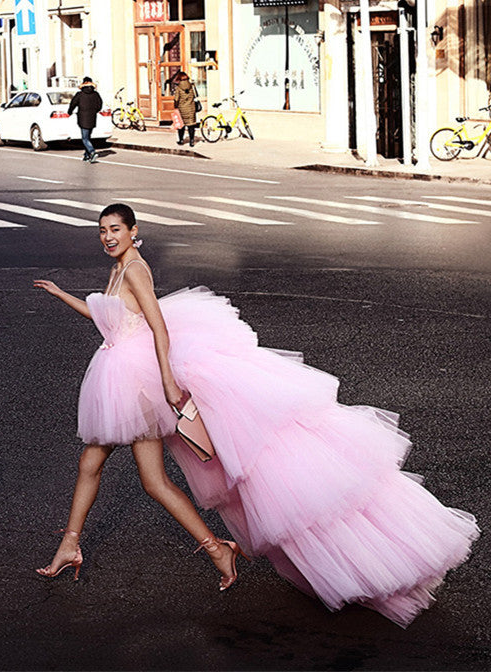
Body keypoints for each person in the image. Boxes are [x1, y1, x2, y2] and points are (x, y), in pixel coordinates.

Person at [33, 203, 478, 627]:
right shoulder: (117, 269)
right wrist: (62, 295)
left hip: (139, 383)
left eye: (115, 230)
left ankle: (187, 548)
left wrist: (168, 382)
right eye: (103, 231)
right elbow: (111, 318)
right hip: (123, 378)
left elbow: (157, 326)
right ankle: (181, 548)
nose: (108, 237)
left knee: (131, 474)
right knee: (127, 474)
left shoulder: (135, 270)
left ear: (134, 233)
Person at [67, 76, 103, 163]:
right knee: (88, 137)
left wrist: (69, 112)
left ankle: (92, 151)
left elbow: (73, 104)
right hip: (92, 118)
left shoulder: (79, 95)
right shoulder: (96, 94)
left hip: (82, 118)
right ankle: (87, 156)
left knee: (85, 138)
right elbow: (99, 106)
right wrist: (94, 111)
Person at [173, 71, 199, 147]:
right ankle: (191, 141)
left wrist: (175, 106)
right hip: (191, 108)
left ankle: (181, 140)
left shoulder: (178, 88)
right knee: (191, 125)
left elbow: (176, 99)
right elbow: (195, 95)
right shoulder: (192, 86)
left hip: (182, 109)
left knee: (181, 125)